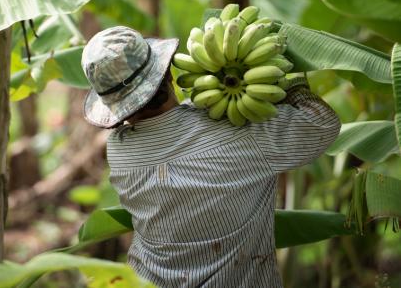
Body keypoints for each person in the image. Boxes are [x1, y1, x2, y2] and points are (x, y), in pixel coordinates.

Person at [81, 26, 341, 287]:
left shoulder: (118, 151)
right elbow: (323, 123)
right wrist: (286, 82)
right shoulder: (241, 131)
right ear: (168, 73)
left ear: (116, 107)